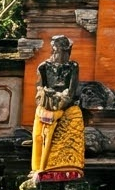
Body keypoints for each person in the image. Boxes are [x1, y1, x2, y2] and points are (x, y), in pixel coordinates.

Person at [30, 34, 84, 181]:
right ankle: (40, 168)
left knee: (74, 118)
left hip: (67, 106)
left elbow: (72, 90)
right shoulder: (43, 67)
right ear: (54, 50)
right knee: (39, 135)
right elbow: (40, 89)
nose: (65, 55)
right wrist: (50, 97)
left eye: (67, 51)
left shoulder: (73, 67)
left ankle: (66, 170)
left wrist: (62, 100)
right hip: (48, 104)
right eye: (62, 51)